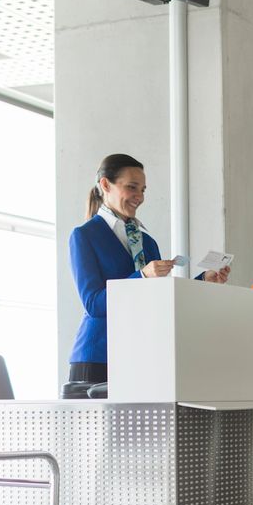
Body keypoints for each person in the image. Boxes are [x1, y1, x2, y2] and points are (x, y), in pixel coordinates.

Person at [67, 153, 229, 387]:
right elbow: (93, 304)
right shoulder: (85, 236)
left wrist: (204, 279)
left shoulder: (147, 242)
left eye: (143, 190)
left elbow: (161, 301)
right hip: (99, 357)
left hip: (141, 357)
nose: (139, 197)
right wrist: (142, 276)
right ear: (105, 185)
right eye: (132, 187)